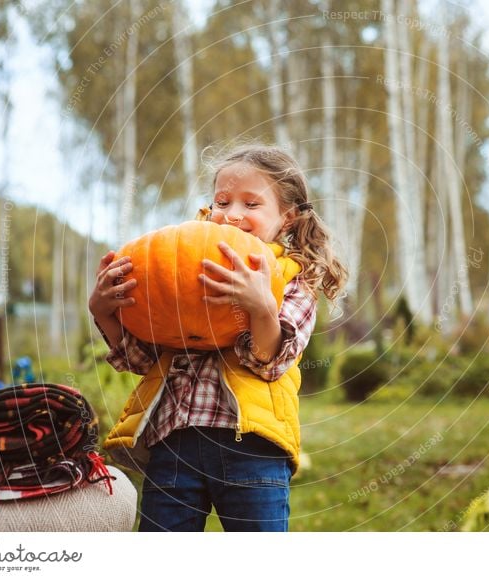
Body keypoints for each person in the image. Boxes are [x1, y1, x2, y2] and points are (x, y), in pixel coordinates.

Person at [89, 144, 347, 531]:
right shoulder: (186, 265)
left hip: (254, 449)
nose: (233, 215)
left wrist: (260, 307)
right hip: (173, 442)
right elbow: (142, 360)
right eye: (223, 201)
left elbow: (270, 360)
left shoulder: (295, 278)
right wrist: (103, 311)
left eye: (251, 204)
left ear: (288, 217)